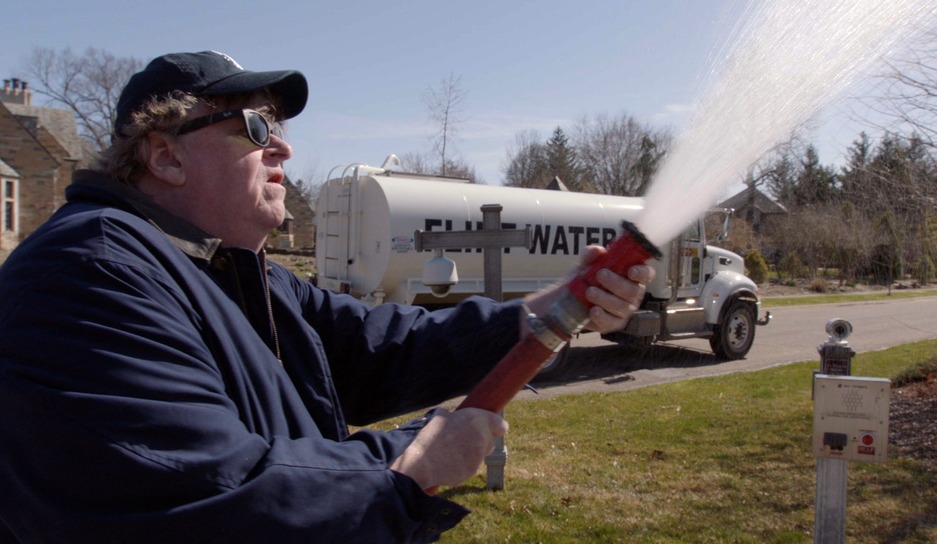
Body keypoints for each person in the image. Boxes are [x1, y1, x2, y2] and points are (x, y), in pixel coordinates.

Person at [0, 51, 652, 543]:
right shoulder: (91, 273)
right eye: (254, 126)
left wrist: (552, 309)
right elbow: (208, 497)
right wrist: (409, 461)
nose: (281, 145)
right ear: (166, 156)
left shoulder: (226, 271)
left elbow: (384, 348)